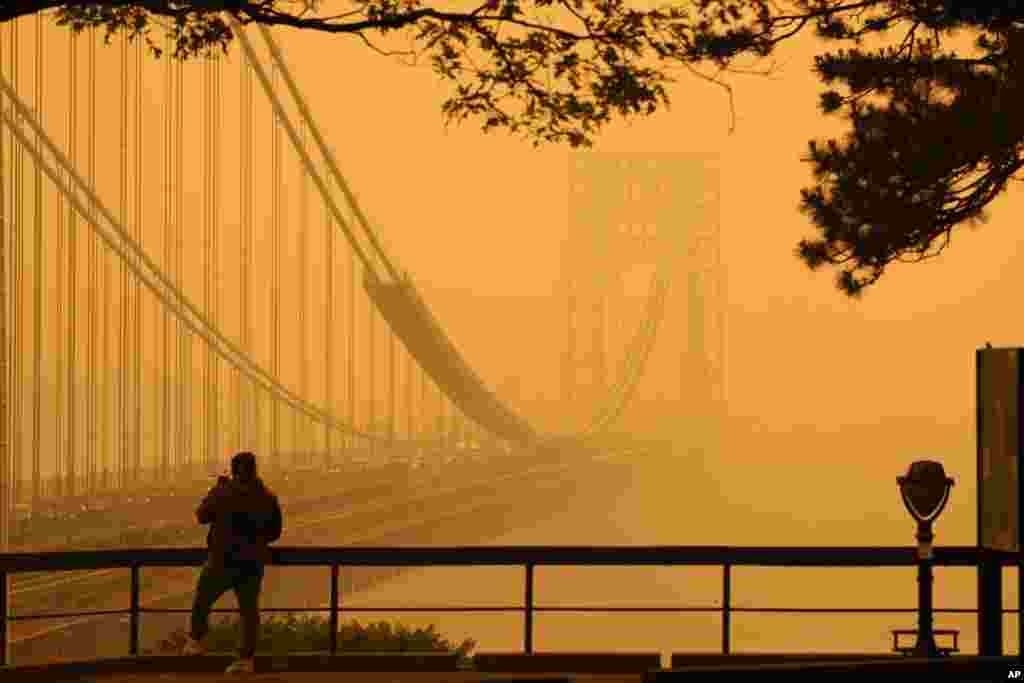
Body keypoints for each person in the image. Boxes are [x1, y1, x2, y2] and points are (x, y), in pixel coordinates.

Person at [182, 451, 283, 674]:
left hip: (222, 559)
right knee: (248, 611)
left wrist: (216, 490)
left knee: (202, 599)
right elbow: (275, 532)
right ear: (255, 470)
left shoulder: (224, 493)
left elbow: (201, 515)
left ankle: (196, 642)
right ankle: (246, 659)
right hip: (252, 562)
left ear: (235, 470)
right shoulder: (267, 496)